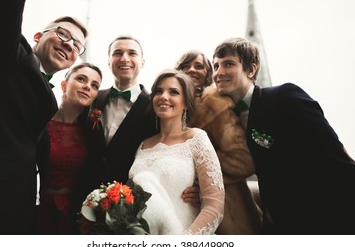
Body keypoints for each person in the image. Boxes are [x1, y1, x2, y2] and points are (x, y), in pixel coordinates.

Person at [0, 0, 88, 234]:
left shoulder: (51, 97)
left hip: (20, 216)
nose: (69, 44)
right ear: (37, 36)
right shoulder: (6, 54)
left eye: (77, 45)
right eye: (63, 34)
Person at [212, 37, 355, 234]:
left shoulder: (284, 97)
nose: (219, 72)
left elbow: (334, 155)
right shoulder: (226, 118)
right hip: (278, 225)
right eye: (216, 66)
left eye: (228, 64)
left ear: (251, 70)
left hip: (324, 219)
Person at [73, 36, 200, 222]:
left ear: (142, 62)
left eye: (132, 53)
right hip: (83, 201)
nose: (124, 58)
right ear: (109, 62)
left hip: (131, 210)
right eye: (118, 53)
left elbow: (175, 144)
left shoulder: (156, 107)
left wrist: (196, 184)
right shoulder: (92, 99)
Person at [129, 70, 224, 234]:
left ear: (186, 102)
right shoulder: (143, 145)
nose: (164, 96)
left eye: (173, 92)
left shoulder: (197, 139)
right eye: (158, 91)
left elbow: (214, 205)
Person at [177, 50, 262, 234]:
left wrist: (202, 182)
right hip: (183, 213)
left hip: (229, 214)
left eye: (199, 66)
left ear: (208, 74)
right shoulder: (171, 112)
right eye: (186, 66)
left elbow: (242, 160)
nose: (192, 70)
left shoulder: (216, 104)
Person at [37, 62, 102, 235]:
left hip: (72, 213)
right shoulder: (39, 122)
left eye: (94, 85)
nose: (87, 86)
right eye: (81, 79)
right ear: (64, 85)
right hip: (34, 209)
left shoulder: (92, 134)